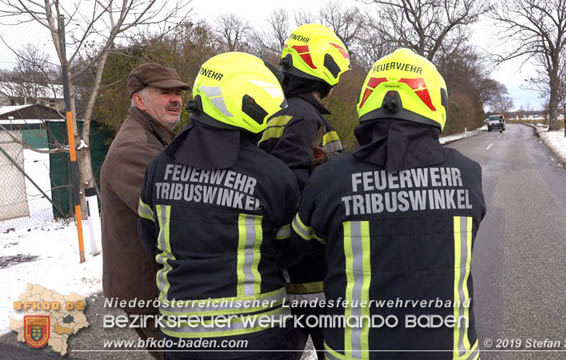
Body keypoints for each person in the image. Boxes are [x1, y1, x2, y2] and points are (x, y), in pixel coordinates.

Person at [291, 48, 487, 360]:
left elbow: (302, 242)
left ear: (368, 102)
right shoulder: (467, 175)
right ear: (437, 104)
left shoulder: (330, 178)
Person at [137, 52, 300, 360]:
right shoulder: (273, 174)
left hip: (181, 338)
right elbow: (289, 250)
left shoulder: (159, 166)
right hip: (255, 337)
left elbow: (149, 237)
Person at [257, 24, 351, 358]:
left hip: (291, 268)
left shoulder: (280, 112)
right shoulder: (304, 119)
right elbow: (292, 188)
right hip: (311, 272)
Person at [101, 62, 190, 359]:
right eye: (165, 92)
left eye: (178, 92)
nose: (176, 99)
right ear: (139, 100)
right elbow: (178, 214)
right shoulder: (135, 148)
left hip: (159, 287)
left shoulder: (158, 136)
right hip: (150, 294)